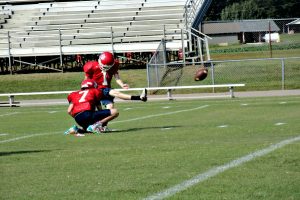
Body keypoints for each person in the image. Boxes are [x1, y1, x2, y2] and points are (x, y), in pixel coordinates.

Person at [64, 79, 147, 136]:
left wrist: (78, 116)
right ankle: (96, 125)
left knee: (87, 129)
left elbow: (69, 111)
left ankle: (76, 129)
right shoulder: (94, 91)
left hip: (78, 118)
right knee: (114, 112)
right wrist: (100, 121)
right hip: (88, 114)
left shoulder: (74, 94)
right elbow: (100, 109)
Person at [83, 51, 129, 131]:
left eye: (108, 66)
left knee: (110, 108)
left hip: (106, 90)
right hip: (94, 90)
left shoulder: (114, 65)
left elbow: (117, 77)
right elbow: (86, 80)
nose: (106, 67)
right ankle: (91, 126)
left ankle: (101, 126)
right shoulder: (91, 66)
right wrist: (84, 90)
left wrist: (122, 84)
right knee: (96, 110)